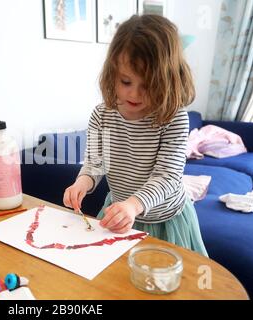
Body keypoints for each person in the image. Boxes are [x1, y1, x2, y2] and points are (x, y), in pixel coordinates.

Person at [63, 14, 208, 256]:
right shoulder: (102, 115)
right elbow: (96, 163)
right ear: (113, 73)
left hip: (165, 220)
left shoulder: (174, 118)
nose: (135, 94)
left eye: (149, 85)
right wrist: (82, 182)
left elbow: (168, 176)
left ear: (168, 80)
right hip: (118, 215)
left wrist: (133, 205)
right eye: (126, 81)